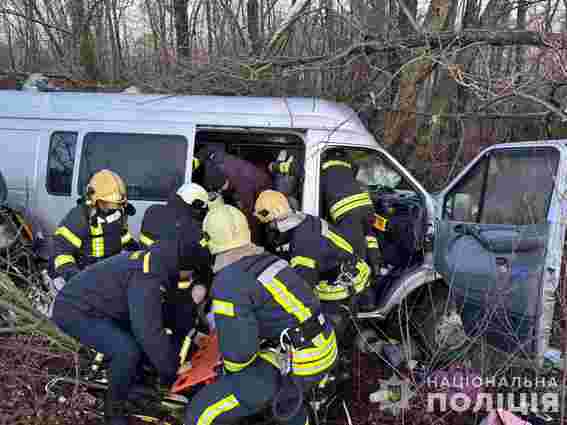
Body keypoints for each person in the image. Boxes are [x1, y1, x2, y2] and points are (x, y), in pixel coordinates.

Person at [185, 204, 338, 425]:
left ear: (209, 241)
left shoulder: (229, 281)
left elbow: (240, 355)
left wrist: (227, 375)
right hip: (323, 346)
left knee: (201, 413)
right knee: (282, 400)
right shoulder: (270, 260)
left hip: (299, 361)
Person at [51, 227, 198, 425]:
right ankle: (113, 411)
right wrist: (172, 369)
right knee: (126, 350)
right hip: (74, 310)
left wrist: (192, 334)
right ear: (180, 265)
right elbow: (148, 331)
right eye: (189, 272)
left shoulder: (159, 263)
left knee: (140, 343)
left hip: (102, 306)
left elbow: (168, 312)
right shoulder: (147, 277)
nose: (189, 277)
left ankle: (135, 380)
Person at [254, 190, 373, 319]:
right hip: (349, 270)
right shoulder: (302, 220)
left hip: (342, 288)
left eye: (269, 226)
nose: (268, 231)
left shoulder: (303, 244)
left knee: (319, 326)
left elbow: (303, 289)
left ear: (278, 221)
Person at [139, 182, 213, 352]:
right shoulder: (195, 230)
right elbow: (204, 264)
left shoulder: (152, 212)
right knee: (182, 319)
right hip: (177, 289)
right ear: (196, 206)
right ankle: (180, 354)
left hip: (145, 280)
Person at [50, 169, 138, 284]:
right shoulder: (79, 218)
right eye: (108, 203)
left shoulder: (117, 213)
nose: (113, 208)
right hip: (84, 273)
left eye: (116, 204)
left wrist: (136, 252)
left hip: (109, 271)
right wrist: (76, 279)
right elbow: (62, 253)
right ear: (95, 199)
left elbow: (122, 236)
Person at [319, 148, 382, 281]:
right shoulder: (347, 162)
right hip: (366, 205)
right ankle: (376, 267)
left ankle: (361, 282)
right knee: (369, 235)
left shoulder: (320, 165)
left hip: (348, 211)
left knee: (355, 253)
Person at [194, 146, 272, 243]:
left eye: (220, 189)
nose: (220, 191)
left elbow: (248, 209)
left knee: (254, 216)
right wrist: (196, 159)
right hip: (249, 171)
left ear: (227, 180)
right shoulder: (218, 158)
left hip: (264, 187)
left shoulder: (242, 184)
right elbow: (209, 149)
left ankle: (255, 242)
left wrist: (245, 233)